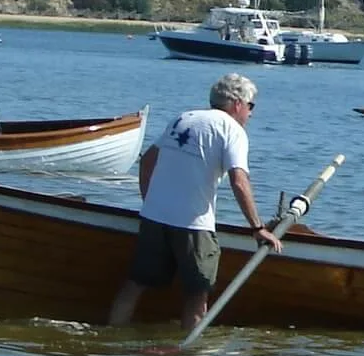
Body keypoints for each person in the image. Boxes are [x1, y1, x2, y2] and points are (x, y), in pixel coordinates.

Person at [109, 73, 281, 333]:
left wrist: (151, 203)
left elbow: (146, 162)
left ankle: (111, 335)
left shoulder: (184, 118)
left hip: (154, 219)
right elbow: (239, 181)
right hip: (193, 226)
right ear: (237, 104)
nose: (251, 113)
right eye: (251, 106)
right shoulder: (232, 130)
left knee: (135, 283)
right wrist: (258, 227)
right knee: (197, 294)